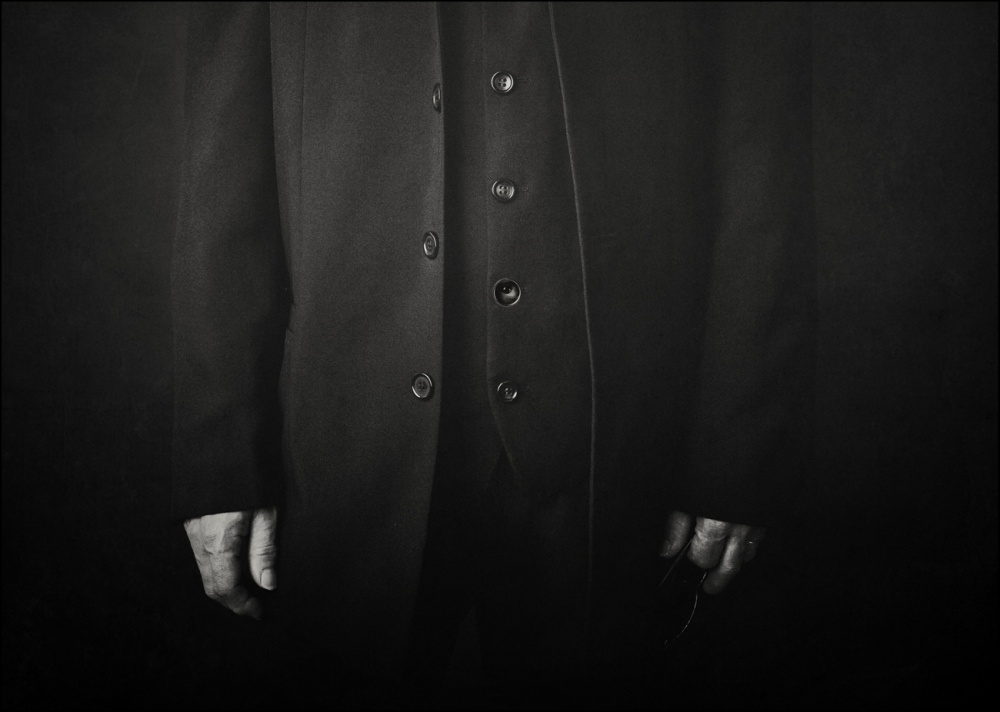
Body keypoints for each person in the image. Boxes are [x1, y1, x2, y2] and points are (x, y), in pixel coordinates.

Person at [172, 1, 814, 703]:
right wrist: (222, 460)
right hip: (341, 455)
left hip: (627, 451)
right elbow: (222, 163)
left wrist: (737, 451)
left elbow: (761, 147)